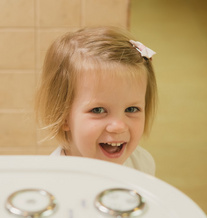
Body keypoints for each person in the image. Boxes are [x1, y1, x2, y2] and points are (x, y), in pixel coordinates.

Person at [35, 26, 157, 176]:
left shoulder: (141, 164)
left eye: (131, 109)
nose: (118, 126)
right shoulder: (51, 179)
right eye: (98, 110)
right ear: (63, 116)